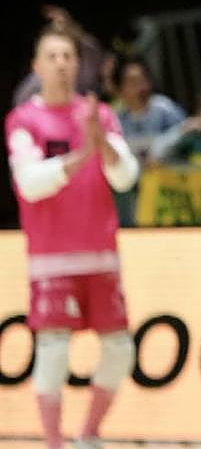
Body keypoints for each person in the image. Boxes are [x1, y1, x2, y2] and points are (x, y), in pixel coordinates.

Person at [5, 26, 140, 449]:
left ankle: (89, 434)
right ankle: (53, 442)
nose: (63, 63)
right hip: (51, 259)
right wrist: (83, 154)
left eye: (69, 56)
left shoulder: (98, 115)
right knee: (54, 352)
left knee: (120, 351)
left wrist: (104, 146)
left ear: (77, 65)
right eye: (54, 56)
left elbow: (125, 177)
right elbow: (29, 183)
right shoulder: (23, 120)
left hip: (101, 256)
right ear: (37, 66)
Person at [112, 58, 186, 224]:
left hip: (167, 194)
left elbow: (186, 134)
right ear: (119, 90)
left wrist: (161, 150)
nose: (141, 87)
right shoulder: (117, 118)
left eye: (143, 79)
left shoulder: (164, 109)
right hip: (131, 195)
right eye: (132, 82)